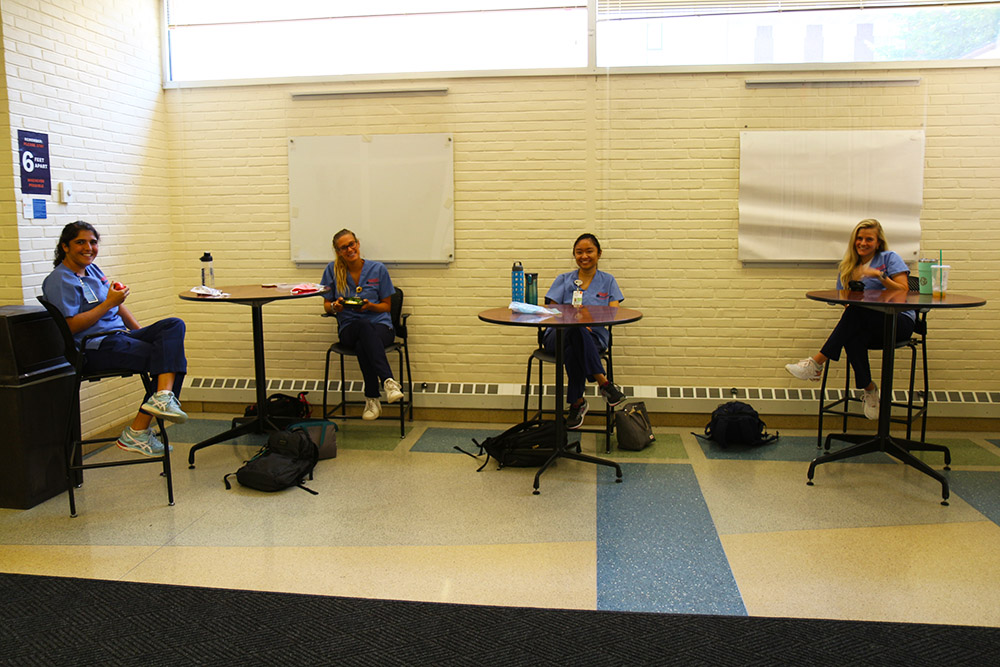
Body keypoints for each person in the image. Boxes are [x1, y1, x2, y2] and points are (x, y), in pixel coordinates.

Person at [42, 221, 188, 456]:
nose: (88, 247)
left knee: (173, 326)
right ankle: (141, 426)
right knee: (171, 359)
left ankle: (159, 400)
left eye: (92, 242)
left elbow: (119, 307)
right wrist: (110, 303)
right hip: (95, 348)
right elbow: (69, 327)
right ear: (65, 247)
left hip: (119, 337)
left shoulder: (93, 270)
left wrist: (142, 334)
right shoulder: (60, 280)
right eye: (80, 242)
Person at [784, 218, 914, 419]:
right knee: (852, 328)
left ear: (878, 242)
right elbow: (844, 300)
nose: (863, 243)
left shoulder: (889, 258)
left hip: (898, 322)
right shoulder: (848, 266)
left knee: (855, 315)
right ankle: (869, 389)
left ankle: (817, 363)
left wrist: (879, 277)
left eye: (869, 239)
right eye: (859, 239)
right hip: (866, 324)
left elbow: (904, 292)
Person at [543, 233, 627, 429]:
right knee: (574, 328)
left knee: (575, 346)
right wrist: (575, 321)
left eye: (589, 251)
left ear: (599, 254)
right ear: (574, 255)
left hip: (593, 338)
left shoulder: (608, 281)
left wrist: (587, 322)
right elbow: (550, 312)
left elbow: (613, 313)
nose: (584, 256)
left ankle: (577, 403)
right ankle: (604, 384)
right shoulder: (563, 279)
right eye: (579, 252)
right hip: (558, 337)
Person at [320, 229, 404, 420]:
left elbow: (386, 306)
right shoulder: (332, 271)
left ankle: (372, 398)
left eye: (352, 244)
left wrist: (369, 306)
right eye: (343, 247)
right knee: (363, 327)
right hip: (349, 327)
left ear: (358, 243)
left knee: (363, 341)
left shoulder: (378, 269)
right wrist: (335, 306)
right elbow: (326, 305)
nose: (349, 249)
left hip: (381, 326)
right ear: (338, 251)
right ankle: (388, 382)